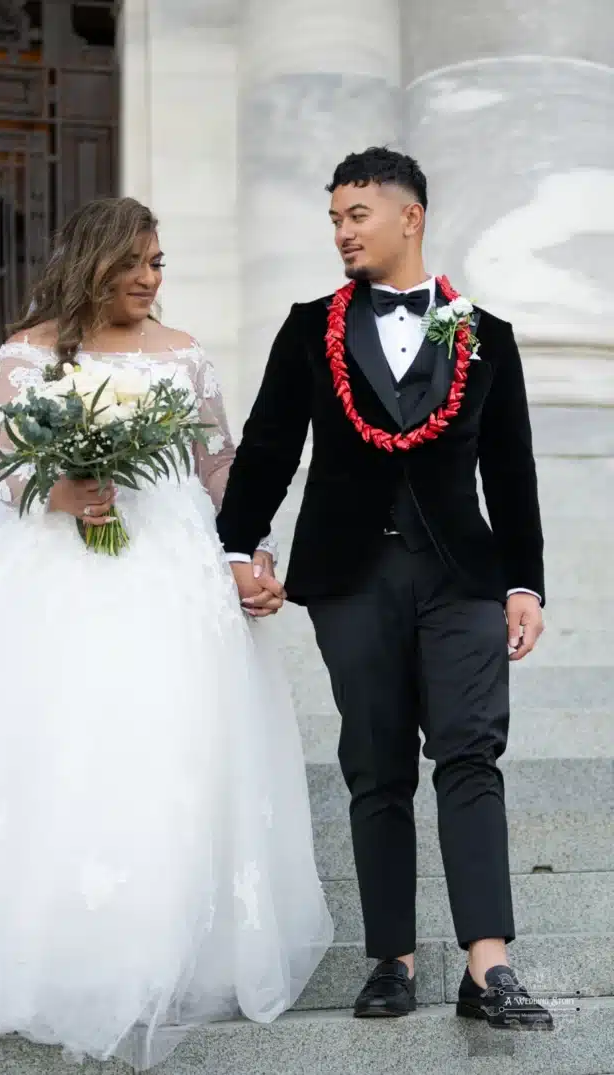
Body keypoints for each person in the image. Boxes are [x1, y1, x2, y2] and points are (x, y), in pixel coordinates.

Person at [0, 197, 333, 1069]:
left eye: (159, 264)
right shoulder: (25, 353)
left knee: (162, 744)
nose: (151, 279)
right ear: (94, 261)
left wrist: (249, 557)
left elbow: (220, 468)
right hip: (48, 577)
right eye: (136, 263)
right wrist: (61, 491)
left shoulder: (182, 355)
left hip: (169, 572)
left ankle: (151, 935)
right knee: (49, 739)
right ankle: (37, 938)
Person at [216, 148, 554, 1029]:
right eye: (333, 217)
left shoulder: (486, 334)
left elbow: (511, 471)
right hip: (349, 575)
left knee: (471, 753)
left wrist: (526, 581)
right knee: (375, 765)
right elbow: (267, 447)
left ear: (411, 217)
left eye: (356, 213)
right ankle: (391, 961)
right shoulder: (308, 327)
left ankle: (490, 967)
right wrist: (236, 548)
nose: (341, 231)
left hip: (463, 578)